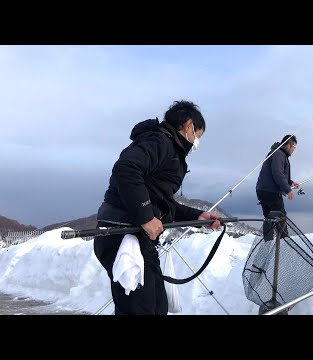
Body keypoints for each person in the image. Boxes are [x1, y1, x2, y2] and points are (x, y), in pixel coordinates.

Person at [93, 100, 221, 315]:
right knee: (139, 309)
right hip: (123, 234)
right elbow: (127, 169)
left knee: (157, 306)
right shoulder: (159, 141)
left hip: (138, 236)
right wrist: (145, 217)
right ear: (189, 126)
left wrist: (198, 216)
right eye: (198, 135)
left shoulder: (168, 146)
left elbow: (160, 201)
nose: (196, 142)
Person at [256, 135, 299, 240]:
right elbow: (277, 173)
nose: (294, 150)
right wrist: (288, 190)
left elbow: (278, 174)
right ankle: (285, 242)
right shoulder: (278, 154)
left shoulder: (277, 153)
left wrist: (290, 182)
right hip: (271, 192)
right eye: (294, 147)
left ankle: (268, 241)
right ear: (289, 145)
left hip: (263, 190)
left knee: (269, 218)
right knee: (281, 217)